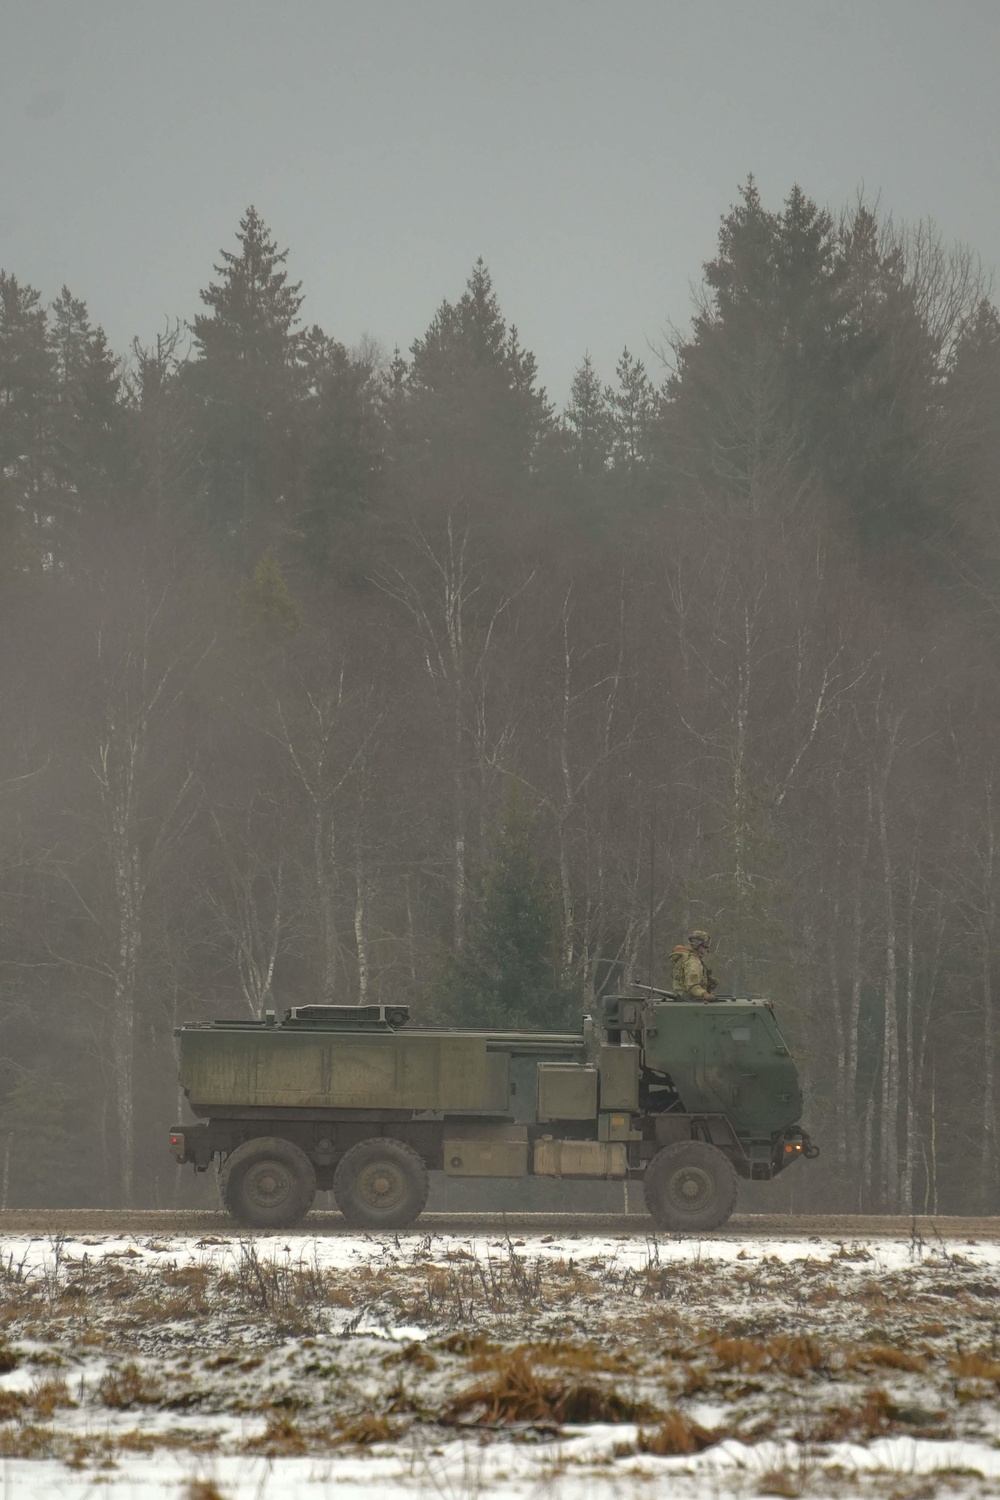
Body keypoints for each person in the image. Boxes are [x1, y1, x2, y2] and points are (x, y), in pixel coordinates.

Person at [670, 929, 718, 1001]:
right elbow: (693, 987)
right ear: (698, 945)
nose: (706, 949)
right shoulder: (693, 962)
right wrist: (705, 994)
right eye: (705, 946)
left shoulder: (685, 958)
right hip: (691, 1003)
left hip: (682, 1000)